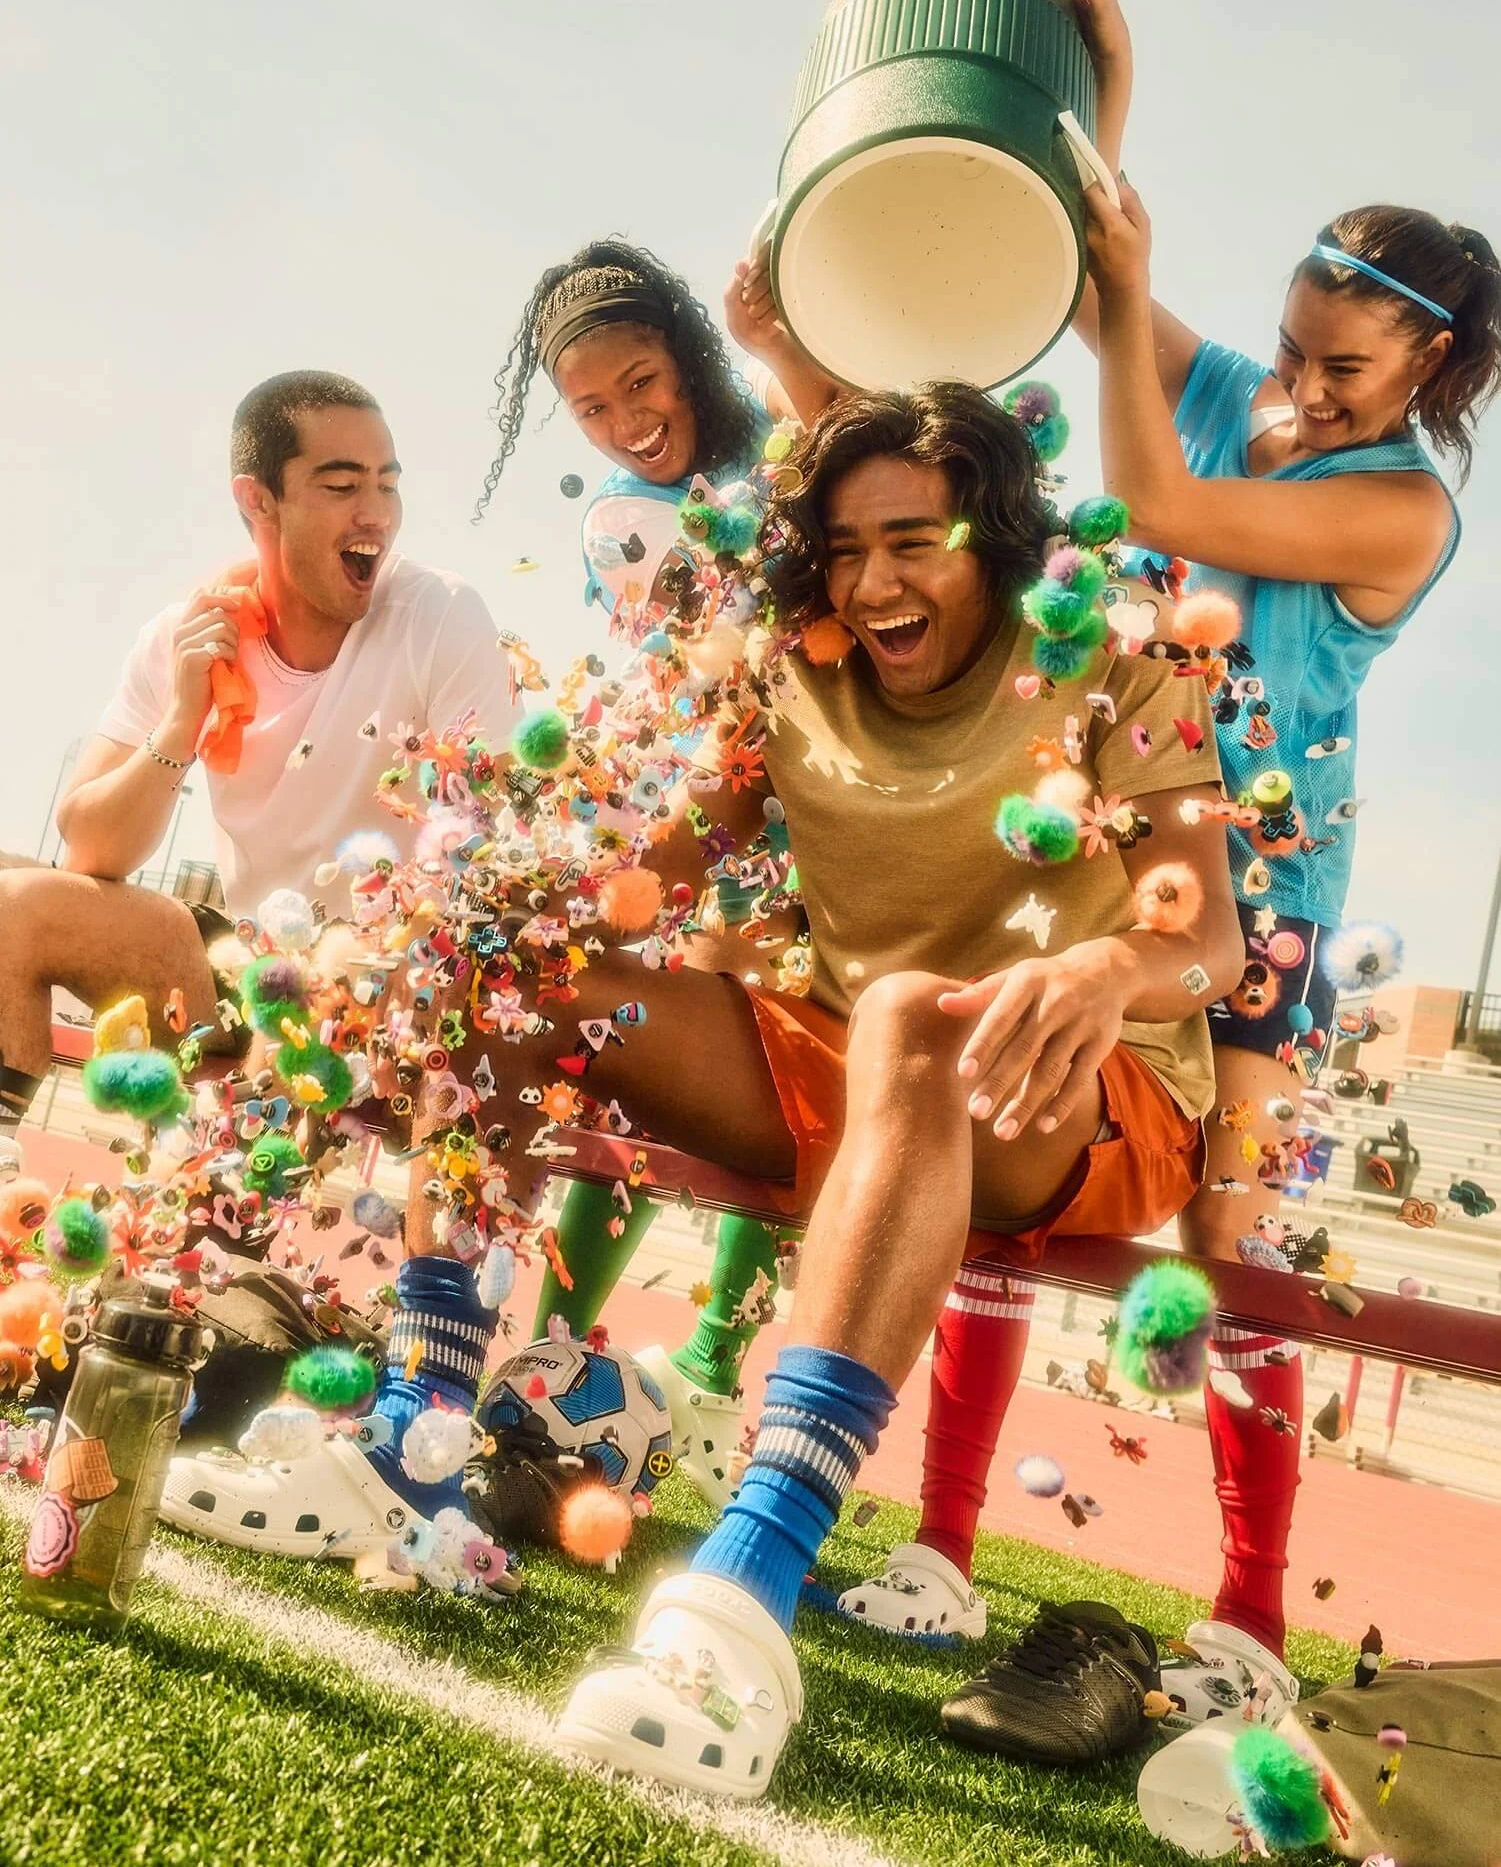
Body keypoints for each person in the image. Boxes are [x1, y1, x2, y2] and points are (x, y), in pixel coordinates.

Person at [196, 382, 1239, 1796]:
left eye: (913, 541)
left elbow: (1207, 942)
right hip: (852, 1054)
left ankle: (742, 1593)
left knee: (911, 1023)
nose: (872, 581)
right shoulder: (790, 664)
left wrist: (1112, 969)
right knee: (507, 970)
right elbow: (665, 864)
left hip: (1087, 1086)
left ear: (995, 540)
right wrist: (466, 917)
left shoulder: (1113, 654)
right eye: (843, 549)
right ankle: (412, 1446)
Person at [893, 0, 1501, 1748]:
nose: (1298, 386)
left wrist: (1133, 351)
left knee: (1225, 1232)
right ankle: (935, 1546)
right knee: (1011, 1158)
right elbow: (1098, 287)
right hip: (1102, 842)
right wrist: (1117, 93)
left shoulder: (1405, 512)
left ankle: (1239, 1621)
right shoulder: (1235, 380)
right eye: (1294, 345)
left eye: (1347, 368)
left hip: (1268, 899)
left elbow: (1154, 500)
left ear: (1430, 376)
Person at [472, 241, 839, 1509]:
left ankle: (715, 1366)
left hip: (819, 818)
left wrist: (779, 347)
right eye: (593, 410)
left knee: (782, 1077)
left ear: (688, 355)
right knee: (621, 1055)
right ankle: (555, 1345)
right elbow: (672, 676)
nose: (628, 423)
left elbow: (840, 430)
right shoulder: (617, 524)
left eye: (644, 383)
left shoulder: (785, 452)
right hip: (693, 816)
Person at [0, 370, 516, 1137]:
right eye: (341, 486)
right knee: (16, 903)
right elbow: (88, 851)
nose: (374, 513)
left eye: (387, 484)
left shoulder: (439, 615)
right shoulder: (188, 636)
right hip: (241, 970)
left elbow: (489, 855)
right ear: (257, 500)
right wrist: (181, 723)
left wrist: (355, 991)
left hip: (394, 987)